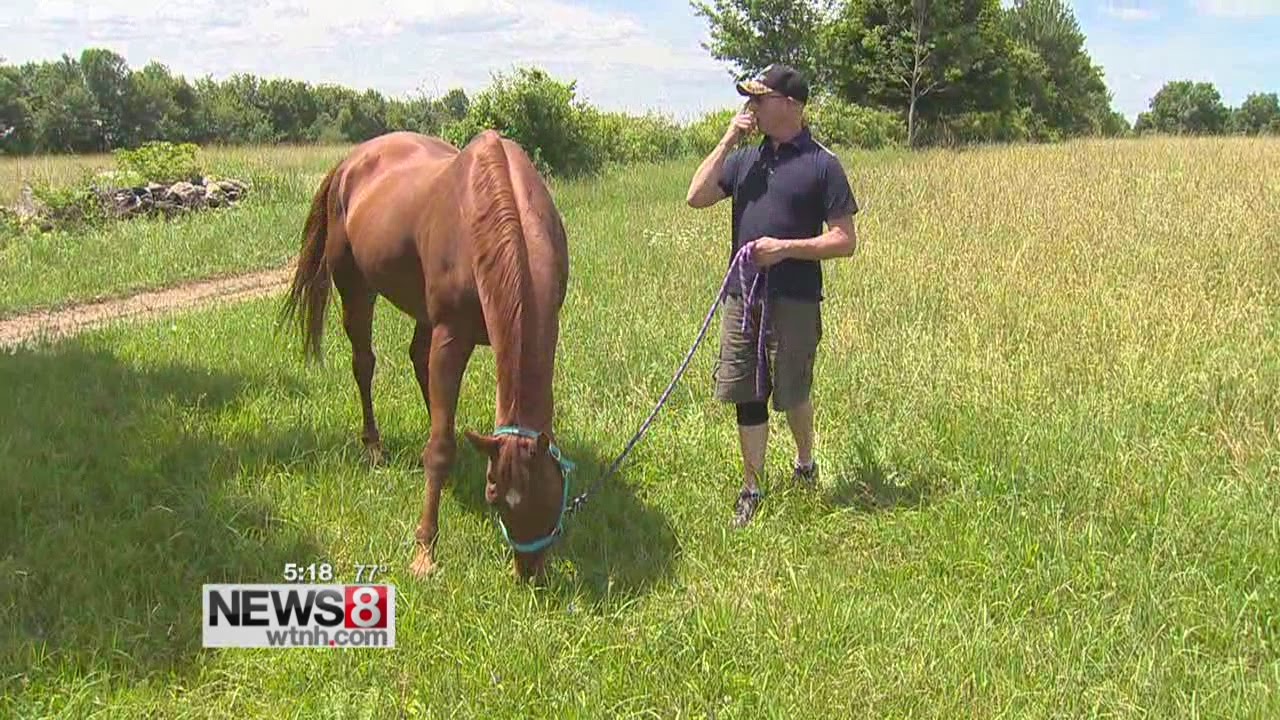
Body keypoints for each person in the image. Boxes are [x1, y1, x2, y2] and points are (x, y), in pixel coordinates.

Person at [685, 64, 859, 527]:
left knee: (792, 389)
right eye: (751, 100)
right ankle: (752, 487)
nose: (752, 107)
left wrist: (785, 249)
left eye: (760, 99)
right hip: (743, 297)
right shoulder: (745, 161)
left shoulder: (823, 164)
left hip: (796, 298)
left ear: (791, 106)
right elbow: (695, 196)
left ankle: (805, 462)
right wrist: (727, 140)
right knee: (748, 390)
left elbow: (845, 240)